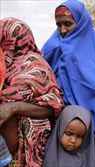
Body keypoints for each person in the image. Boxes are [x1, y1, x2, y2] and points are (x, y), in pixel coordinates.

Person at [41, 1, 95, 166]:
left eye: (68, 24)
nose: (62, 30)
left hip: (92, 130)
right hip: (61, 130)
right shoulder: (52, 49)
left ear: (81, 23)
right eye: (58, 25)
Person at [0, 17, 64, 166]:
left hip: (28, 149)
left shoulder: (36, 65)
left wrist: (13, 107)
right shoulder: (3, 64)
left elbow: (53, 105)